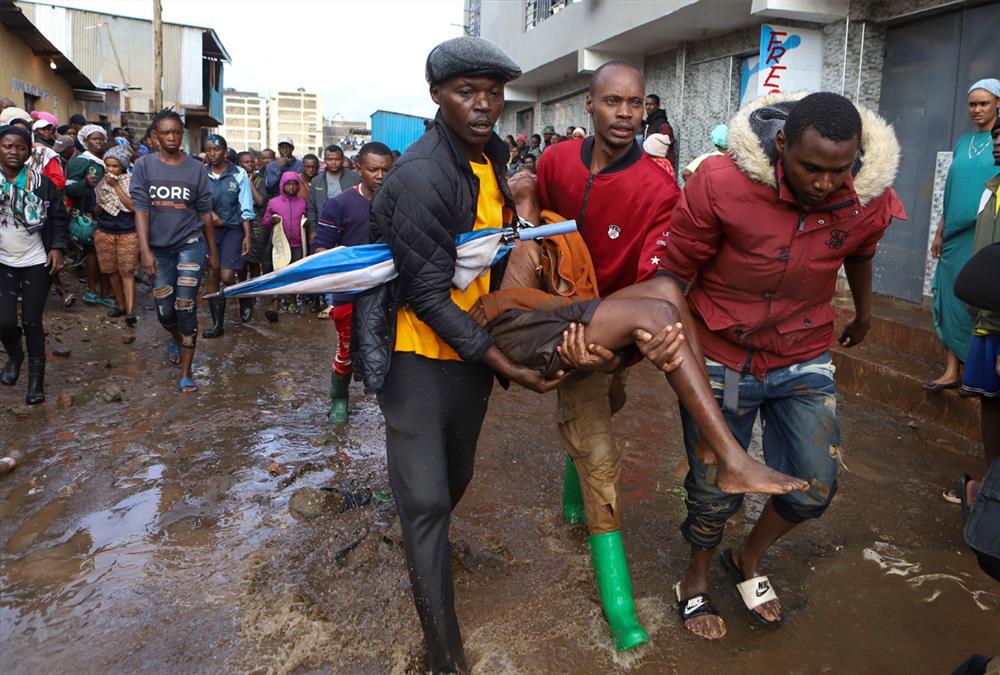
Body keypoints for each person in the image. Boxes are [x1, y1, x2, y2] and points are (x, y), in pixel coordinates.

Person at [656, 92, 904, 639]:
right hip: (723, 354)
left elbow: (860, 253)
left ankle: (747, 558)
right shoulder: (720, 184)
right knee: (715, 486)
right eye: (811, 168)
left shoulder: (868, 197)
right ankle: (695, 580)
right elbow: (672, 275)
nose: (823, 183)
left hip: (802, 353)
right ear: (782, 145)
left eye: (839, 171)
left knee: (814, 488)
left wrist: (863, 314)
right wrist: (672, 346)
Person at [353, 36, 563, 673]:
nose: (482, 105)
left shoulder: (492, 158)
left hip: (467, 352)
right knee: (424, 505)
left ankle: (427, 550)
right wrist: (506, 366)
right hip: (417, 355)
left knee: (453, 486)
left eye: (492, 93)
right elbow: (422, 293)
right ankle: (444, 655)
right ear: (437, 96)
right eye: (466, 92)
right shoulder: (421, 175)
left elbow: (494, 256)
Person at [130, 109, 218, 393]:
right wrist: (144, 250)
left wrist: (213, 252)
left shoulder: (195, 168)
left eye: (176, 132)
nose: (171, 137)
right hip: (158, 248)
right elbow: (141, 210)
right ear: (155, 136)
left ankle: (186, 371)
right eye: (165, 132)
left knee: (186, 305)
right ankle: (175, 335)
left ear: (182, 135)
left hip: (190, 243)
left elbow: (205, 212)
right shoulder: (144, 166)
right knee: (165, 313)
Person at [312, 141, 393, 424]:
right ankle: (339, 399)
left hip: (389, 293)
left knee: (393, 350)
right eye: (373, 169)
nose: (380, 176)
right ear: (358, 169)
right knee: (346, 349)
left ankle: (393, 405)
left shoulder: (399, 203)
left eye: (386, 170)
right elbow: (321, 250)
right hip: (350, 292)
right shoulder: (339, 204)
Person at [927, 79, 1000, 392]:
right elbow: (951, 191)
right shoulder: (962, 142)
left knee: (975, 299)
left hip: (983, 233)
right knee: (950, 294)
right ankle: (951, 369)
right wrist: (940, 231)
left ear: (998, 104)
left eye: (983, 103)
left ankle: (975, 371)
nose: (977, 110)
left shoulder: (998, 142)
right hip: (954, 234)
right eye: (972, 104)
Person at [0, 124, 68, 404]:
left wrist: (57, 247)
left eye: (20, 147)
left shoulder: (41, 184)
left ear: (29, 151)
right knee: (3, 321)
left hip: (36, 260)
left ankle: (35, 385)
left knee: (32, 321)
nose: (14, 151)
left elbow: (59, 218)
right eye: (7, 146)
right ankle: (16, 354)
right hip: (3, 260)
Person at [954, 116, 1000, 507]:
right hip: (987, 321)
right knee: (991, 401)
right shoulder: (990, 191)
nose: (998, 141)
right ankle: (990, 488)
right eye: (997, 135)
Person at [202, 134, 253, 338]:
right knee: (213, 274)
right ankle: (217, 324)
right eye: (209, 149)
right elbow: (196, 200)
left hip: (232, 228)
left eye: (216, 149)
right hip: (209, 229)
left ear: (225, 151)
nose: (212, 153)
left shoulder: (238, 174)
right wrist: (208, 213)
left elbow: (245, 206)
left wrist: (247, 235)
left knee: (226, 275)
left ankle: (243, 296)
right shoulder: (201, 174)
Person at [65, 123, 114, 308]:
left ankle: (104, 291)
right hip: (88, 214)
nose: (99, 142)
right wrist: (85, 183)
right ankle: (93, 290)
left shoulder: (105, 160)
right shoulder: (81, 162)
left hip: (106, 214)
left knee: (105, 254)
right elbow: (68, 188)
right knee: (93, 253)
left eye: (101, 138)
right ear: (85, 141)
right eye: (94, 139)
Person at [93, 144, 138, 324]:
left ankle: (130, 310)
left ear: (123, 166)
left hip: (128, 232)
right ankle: (120, 305)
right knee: (111, 272)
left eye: (115, 166)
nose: (111, 170)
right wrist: (100, 196)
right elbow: (96, 210)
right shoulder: (101, 183)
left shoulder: (132, 182)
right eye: (108, 166)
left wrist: (116, 186)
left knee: (127, 272)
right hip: (105, 231)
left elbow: (132, 207)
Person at [261, 171, 308, 322]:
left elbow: (307, 218)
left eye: (295, 184)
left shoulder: (302, 203)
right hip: (280, 245)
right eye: (289, 184)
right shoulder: (273, 203)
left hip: (297, 244)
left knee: (295, 273)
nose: (292, 187)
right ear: (282, 185)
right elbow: (265, 221)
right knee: (279, 272)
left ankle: (293, 302)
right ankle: (275, 304)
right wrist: (272, 221)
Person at [306, 145, 361, 244]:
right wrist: (313, 230)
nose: (333, 162)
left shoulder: (355, 178)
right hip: (324, 228)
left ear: (342, 159)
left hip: (350, 228)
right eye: (330, 159)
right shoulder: (316, 181)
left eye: (337, 159)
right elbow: (311, 208)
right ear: (325, 160)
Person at [238, 150, 269, 321]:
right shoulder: (233, 178)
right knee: (241, 266)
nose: (249, 165)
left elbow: (260, 201)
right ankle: (244, 301)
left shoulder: (259, 180)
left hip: (257, 228)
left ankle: (253, 300)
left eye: (251, 162)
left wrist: (248, 184)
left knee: (255, 265)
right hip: (239, 227)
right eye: (245, 162)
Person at [643, 94, 678, 170]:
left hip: (659, 165)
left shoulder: (663, 124)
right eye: (646, 104)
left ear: (658, 105)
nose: (648, 107)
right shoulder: (649, 122)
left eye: (651, 104)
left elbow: (668, 143)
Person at [28, 120, 65, 190]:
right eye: (43, 129)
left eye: (49, 129)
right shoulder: (37, 149)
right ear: (35, 132)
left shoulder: (53, 143)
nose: (47, 131)